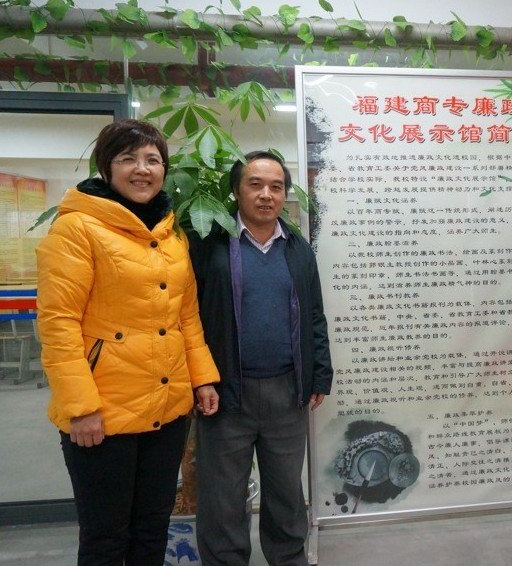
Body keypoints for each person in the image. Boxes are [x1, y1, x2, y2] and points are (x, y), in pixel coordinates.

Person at [36, 119, 221, 565]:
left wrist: (202, 379)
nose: (142, 169)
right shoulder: (76, 229)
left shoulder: (171, 234)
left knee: (152, 529)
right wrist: (81, 407)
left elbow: (186, 317)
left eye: (153, 160)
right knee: (106, 538)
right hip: (103, 414)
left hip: (167, 408)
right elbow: (58, 323)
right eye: (128, 158)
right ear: (107, 167)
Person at [189, 150, 334, 566]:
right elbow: (188, 317)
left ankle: (288, 558)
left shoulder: (298, 249)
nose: (266, 195)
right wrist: (200, 378)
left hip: (287, 391)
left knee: (286, 492)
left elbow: (314, 315)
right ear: (236, 191)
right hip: (224, 394)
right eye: (255, 185)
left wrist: (319, 374)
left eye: (276, 186)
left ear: (285, 194)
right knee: (222, 496)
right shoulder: (210, 245)